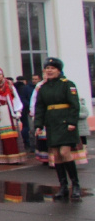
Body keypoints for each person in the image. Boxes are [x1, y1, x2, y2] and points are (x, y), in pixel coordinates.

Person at [33, 57, 83, 201]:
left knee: (64, 152)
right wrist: (38, 125)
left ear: (59, 70)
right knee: (56, 154)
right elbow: (40, 107)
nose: (49, 71)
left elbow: (74, 105)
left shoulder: (67, 85)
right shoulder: (43, 87)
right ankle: (63, 186)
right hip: (52, 123)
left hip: (66, 122)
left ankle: (76, 185)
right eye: (47, 68)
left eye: (52, 68)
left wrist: (72, 121)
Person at [0, 68, 25, 165]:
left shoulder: (9, 85)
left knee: (12, 134)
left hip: (9, 111)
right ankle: (1, 158)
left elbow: (15, 97)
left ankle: (15, 156)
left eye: (0, 74)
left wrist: (18, 110)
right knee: (0, 135)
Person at [15, 75, 35, 153]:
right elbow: (23, 98)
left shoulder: (16, 87)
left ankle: (27, 142)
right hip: (27, 110)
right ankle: (27, 142)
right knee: (29, 127)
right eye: (33, 79)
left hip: (23, 110)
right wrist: (30, 105)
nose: (34, 80)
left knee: (27, 127)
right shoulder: (26, 88)